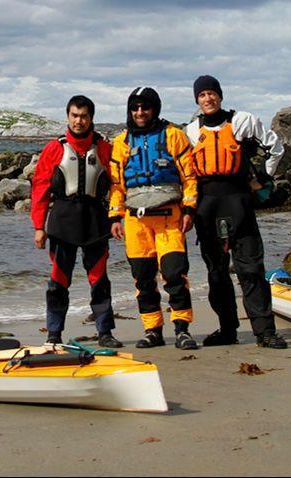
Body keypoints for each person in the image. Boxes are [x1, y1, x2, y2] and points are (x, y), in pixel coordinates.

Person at [184, 75, 288, 349]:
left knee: (250, 269)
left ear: (220, 95)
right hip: (207, 206)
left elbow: (275, 147)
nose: (208, 99)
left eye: (212, 93)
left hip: (238, 201)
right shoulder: (192, 131)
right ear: (197, 99)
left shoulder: (242, 121)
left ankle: (265, 332)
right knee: (216, 273)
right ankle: (227, 329)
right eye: (202, 95)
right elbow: (184, 171)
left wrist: (263, 179)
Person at [109, 87, 199, 349]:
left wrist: (190, 210)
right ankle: (153, 330)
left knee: (174, 274)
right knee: (143, 278)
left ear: (155, 109)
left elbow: (189, 178)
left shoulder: (174, 136)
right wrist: (114, 217)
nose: (140, 112)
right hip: (136, 221)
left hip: (170, 217)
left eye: (145, 107)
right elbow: (117, 184)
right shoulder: (122, 142)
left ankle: (182, 328)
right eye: (135, 108)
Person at [30, 95, 123, 348]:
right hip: (62, 220)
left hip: (95, 220)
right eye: (74, 115)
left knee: (99, 278)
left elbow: (117, 185)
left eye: (84, 116)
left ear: (91, 117)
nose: (79, 121)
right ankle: (54, 333)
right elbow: (40, 188)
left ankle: (105, 331)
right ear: (68, 117)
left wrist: (117, 217)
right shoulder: (54, 149)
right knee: (59, 280)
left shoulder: (104, 148)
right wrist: (39, 226)